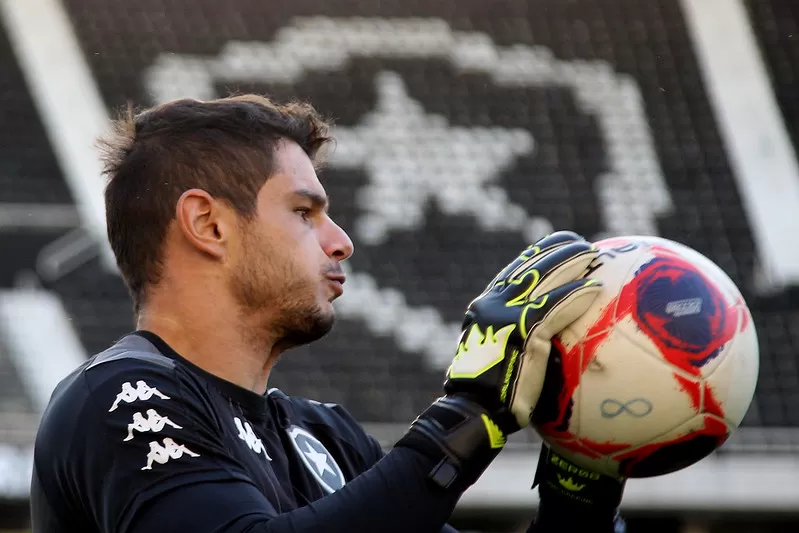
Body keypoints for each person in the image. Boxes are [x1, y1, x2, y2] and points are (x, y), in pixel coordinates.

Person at [30, 95, 627, 533]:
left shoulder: (325, 436)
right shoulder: (120, 397)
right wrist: (473, 414)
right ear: (208, 224)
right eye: (304, 212)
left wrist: (583, 482)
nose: (340, 241)